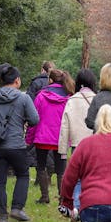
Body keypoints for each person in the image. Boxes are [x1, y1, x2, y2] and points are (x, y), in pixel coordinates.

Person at [0, 65, 40, 222]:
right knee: (23, 175)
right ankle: (17, 208)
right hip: (17, 145)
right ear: (17, 80)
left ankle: (1, 215)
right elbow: (34, 119)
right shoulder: (24, 98)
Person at [27, 68, 74, 204]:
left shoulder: (41, 96)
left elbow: (34, 119)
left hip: (42, 137)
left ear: (50, 80)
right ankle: (62, 198)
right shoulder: (68, 98)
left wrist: (29, 138)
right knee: (61, 170)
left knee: (41, 166)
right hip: (61, 139)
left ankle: (44, 196)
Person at [59, 68, 97, 210]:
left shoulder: (72, 100)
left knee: (78, 177)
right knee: (94, 176)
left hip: (77, 145)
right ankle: (93, 203)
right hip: (95, 144)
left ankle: (76, 207)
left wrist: (63, 151)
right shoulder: (98, 99)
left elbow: (64, 126)